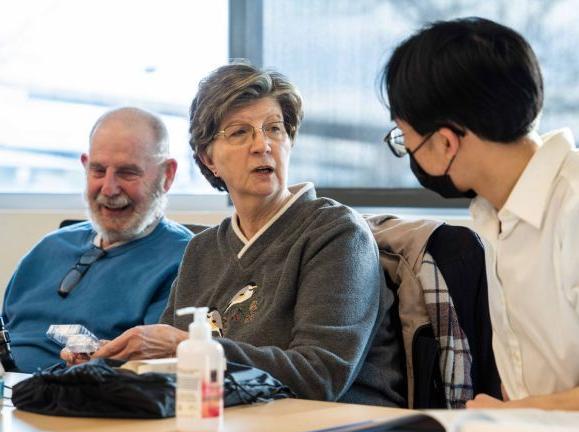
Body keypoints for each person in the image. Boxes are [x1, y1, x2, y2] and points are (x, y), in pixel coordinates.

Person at [87, 63, 406, 406]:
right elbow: (169, 368)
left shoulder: (338, 234)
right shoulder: (201, 250)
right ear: (208, 159)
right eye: (240, 132)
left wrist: (189, 347)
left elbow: (320, 376)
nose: (262, 145)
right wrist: (109, 363)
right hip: (235, 430)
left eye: (274, 129)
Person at [380, 17, 579, 410]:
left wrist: (509, 416)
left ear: (445, 141)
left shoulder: (571, 206)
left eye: (405, 138)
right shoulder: (496, 217)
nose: (409, 153)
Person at [2, 107, 193, 372]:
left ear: (167, 175)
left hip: (79, 401)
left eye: (128, 172)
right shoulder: (49, 248)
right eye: (98, 170)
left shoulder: (186, 260)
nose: (109, 188)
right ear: (84, 166)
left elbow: (150, 373)